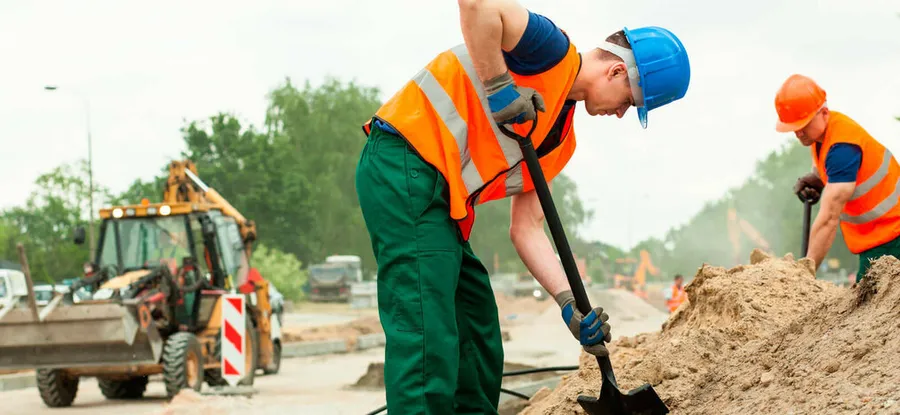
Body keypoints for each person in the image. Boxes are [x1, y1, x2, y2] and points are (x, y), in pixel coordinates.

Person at [355, 1, 691, 413]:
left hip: (440, 199)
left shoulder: (558, 139)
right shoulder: (548, 50)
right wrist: (499, 86)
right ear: (617, 70)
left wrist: (568, 305)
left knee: (476, 326)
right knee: (429, 329)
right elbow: (477, 5)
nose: (621, 113)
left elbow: (527, 228)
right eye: (630, 101)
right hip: (403, 159)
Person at [777, 74, 900, 283]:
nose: (798, 133)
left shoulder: (842, 149)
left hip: (893, 235)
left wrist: (805, 274)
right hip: (878, 237)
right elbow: (829, 166)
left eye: (803, 124)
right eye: (793, 127)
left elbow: (828, 218)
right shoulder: (821, 137)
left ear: (823, 113)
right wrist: (818, 177)